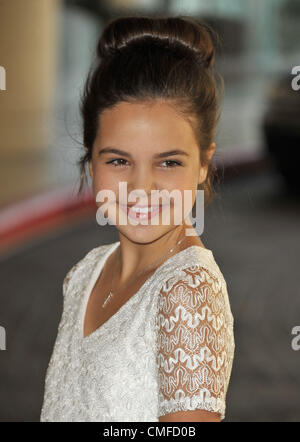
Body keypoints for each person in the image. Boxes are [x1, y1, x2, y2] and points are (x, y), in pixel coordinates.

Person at [40, 14, 235, 422]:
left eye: (167, 163)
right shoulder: (84, 274)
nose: (141, 187)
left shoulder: (187, 290)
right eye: (118, 160)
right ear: (90, 161)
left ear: (203, 164)